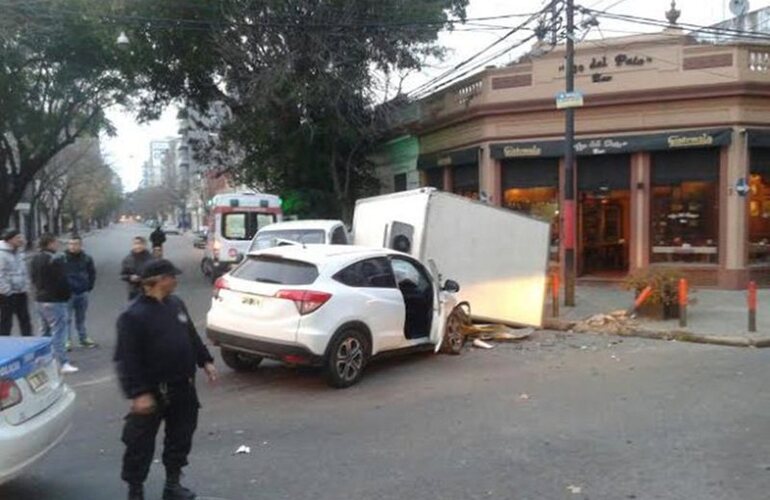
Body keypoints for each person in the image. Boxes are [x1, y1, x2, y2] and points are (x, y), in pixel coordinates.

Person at [115, 259, 217, 500]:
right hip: (152, 391)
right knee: (139, 445)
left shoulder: (176, 304)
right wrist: (138, 392)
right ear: (159, 280)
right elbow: (126, 358)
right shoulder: (133, 315)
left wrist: (206, 360)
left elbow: (190, 334)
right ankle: (135, 491)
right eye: (172, 276)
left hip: (182, 387)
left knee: (180, 438)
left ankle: (172, 485)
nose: (176, 280)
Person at [31, 233, 78, 374]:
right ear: (50, 243)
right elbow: (61, 281)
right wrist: (66, 295)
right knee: (58, 332)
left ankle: (42, 360)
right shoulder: (54, 260)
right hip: (55, 300)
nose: (57, 245)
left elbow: (33, 278)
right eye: (56, 242)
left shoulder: (35, 259)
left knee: (44, 331)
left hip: (40, 298)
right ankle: (62, 362)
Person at [62, 235, 98, 349]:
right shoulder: (62, 258)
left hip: (82, 292)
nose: (73, 246)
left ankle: (83, 338)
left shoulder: (87, 258)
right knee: (66, 319)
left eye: (76, 244)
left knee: (81, 318)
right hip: (66, 293)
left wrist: (89, 286)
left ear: (81, 245)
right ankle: (66, 340)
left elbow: (92, 273)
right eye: (71, 244)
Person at [0, 229, 32, 336]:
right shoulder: (2, 254)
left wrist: (26, 287)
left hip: (21, 291)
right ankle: (4, 346)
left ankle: (28, 343)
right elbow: (1, 275)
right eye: (18, 237)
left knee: (25, 320)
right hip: (7, 294)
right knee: (6, 321)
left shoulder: (19, 252)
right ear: (10, 239)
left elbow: (24, 271)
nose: (21, 240)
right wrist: (6, 291)